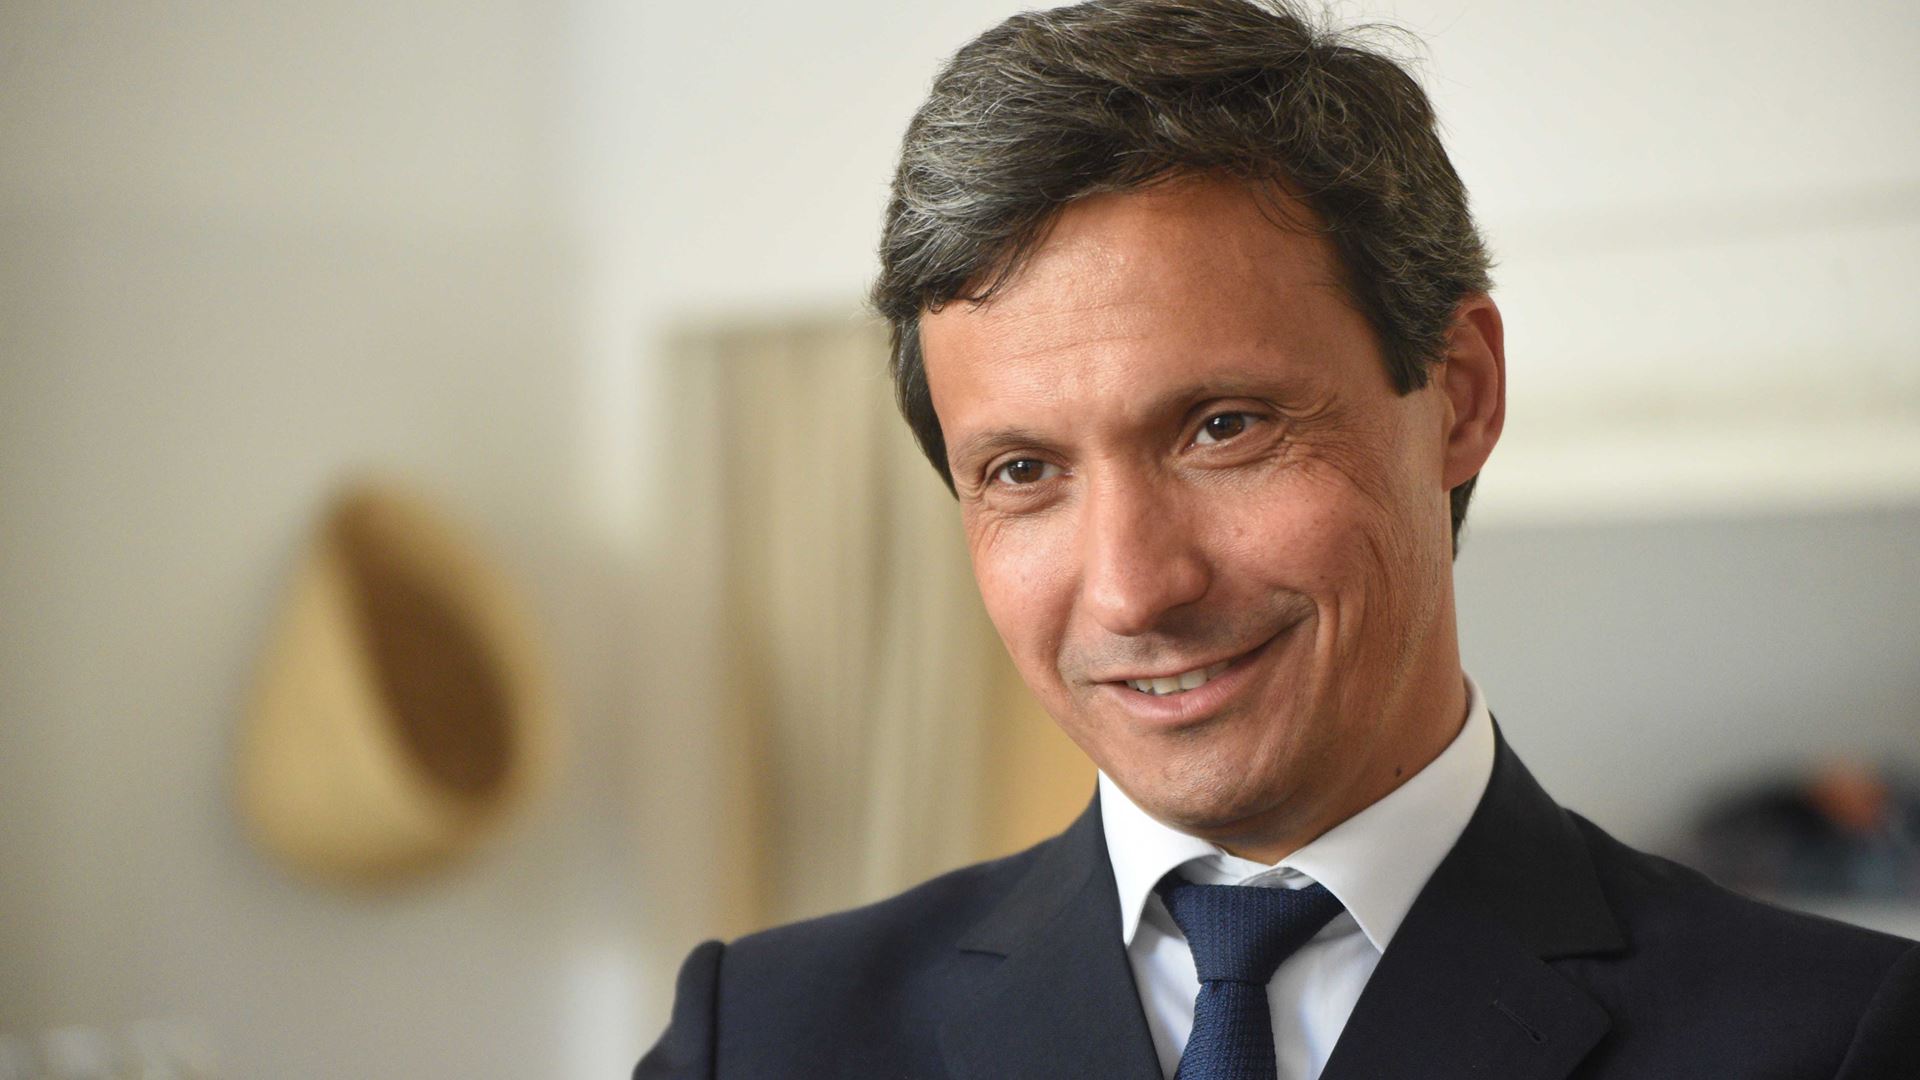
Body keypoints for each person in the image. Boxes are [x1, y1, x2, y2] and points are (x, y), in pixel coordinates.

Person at [635, 1, 1920, 1076]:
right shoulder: (759, 1040)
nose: (1134, 589)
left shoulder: (1842, 1040)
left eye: (1224, 427)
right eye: (1024, 471)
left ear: (1460, 395)